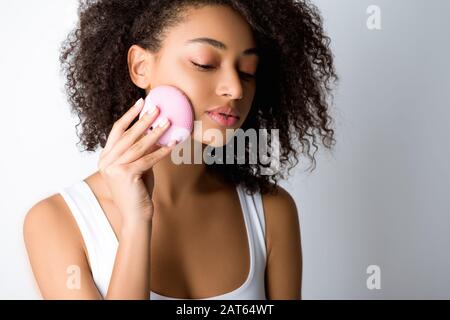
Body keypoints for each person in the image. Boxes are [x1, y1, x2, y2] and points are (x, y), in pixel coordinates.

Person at [23, 0, 337, 300]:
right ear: (141, 66)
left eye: (247, 71)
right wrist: (136, 222)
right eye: (205, 64)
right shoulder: (56, 221)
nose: (235, 88)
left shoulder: (271, 211)